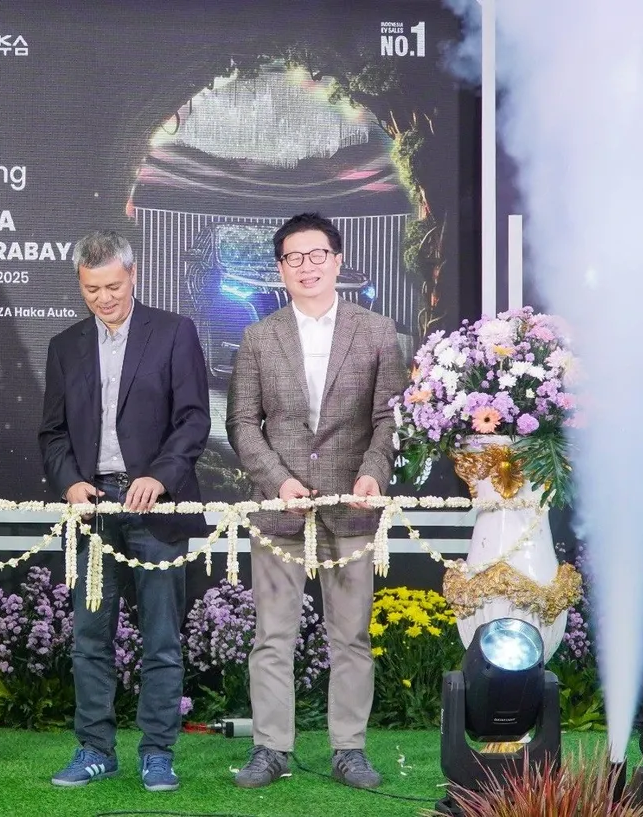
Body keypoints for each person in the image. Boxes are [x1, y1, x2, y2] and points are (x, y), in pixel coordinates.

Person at [226, 212, 408, 790]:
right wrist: (278, 480)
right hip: (278, 507)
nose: (306, 266)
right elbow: (241, 422)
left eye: (316, 255)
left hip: (353, 503)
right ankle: (270, 748)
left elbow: (389, 418)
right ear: (280, 268)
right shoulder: (259, 335)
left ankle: (349, 750)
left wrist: (374, 473)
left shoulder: (379, 331)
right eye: (293, 258)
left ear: (337, 260)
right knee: (272, 636)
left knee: (350, 636)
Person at [39, 230, 211, 793]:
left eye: (113, 286)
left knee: (161, 639)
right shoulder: (64, 346)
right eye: (92, 289)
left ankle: (157, 753)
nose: (104, 298)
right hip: (92, 511)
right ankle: (94, 749)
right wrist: (70, 484)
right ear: (80, 285)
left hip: (158, 510)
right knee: (90, 637)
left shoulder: (174, 333)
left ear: (132, 275)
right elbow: (53, 433)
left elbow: (192, 419)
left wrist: (159, 476)